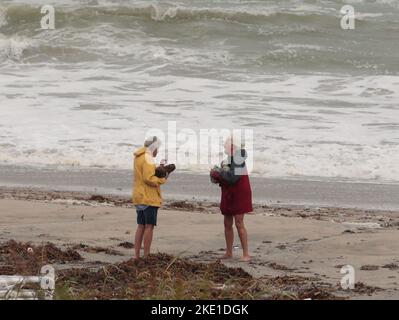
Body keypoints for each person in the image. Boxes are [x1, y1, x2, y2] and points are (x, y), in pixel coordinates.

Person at [210, 136, 253, 262]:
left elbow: (233, 178)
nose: (224, 147)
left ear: (233, 147)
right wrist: (216, 175)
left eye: (226, 145)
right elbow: (227, 177)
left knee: (239, 223)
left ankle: (246, 254)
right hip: (229, 193)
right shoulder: (229, 159)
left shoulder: (239, 159)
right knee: (227, 223)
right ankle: (229, 252)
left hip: (240, 194)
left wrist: (218, 173)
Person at [132, 136, 168, 259]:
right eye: (157, 148)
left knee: (141, 226)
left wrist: (159, 167)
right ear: (153, 147)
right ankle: (146, 255)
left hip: (138, 196)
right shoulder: (148, 158)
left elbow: (144, 174)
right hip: (149, 197)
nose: (158, 151)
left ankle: (137, 255)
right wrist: (163, 178)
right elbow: (149, 178)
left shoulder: (138, 156)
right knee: (149, 226)